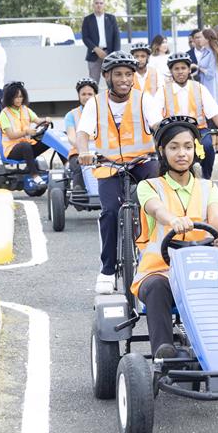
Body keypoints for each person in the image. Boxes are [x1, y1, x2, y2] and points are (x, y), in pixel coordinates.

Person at [131, 115, 218, 359]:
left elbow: (216, 215)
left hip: (200, 272)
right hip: (159, 272)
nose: (181, 153)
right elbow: (156, 208)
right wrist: (172, 220)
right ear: (162, 151)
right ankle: (164, 351)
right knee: (156, 287)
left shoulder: (208, 187)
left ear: (196, 150)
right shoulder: (150, 186)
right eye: (174, 147)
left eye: (187, 147)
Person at [77, 51, 163, 294]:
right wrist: (84, 152)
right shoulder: (95, 103)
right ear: (107, 76)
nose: (124, 79)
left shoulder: (144, 99)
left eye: (128, 74)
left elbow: (158, 126)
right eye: (118, 75)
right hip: (109, 164)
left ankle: (156, 256)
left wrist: (165, 145)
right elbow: (83, 133)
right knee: (110, 212)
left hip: (142, 162)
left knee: (156, 204)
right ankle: (107, 270)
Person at [156, 52, 218, 179]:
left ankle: (206, 179)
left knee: (207, 147)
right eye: (176, 69)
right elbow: (155, 114)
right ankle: (165, 179)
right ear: (171, 71)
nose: (180, 72)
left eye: (183, 68)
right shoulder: (163, 90)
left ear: (189, 69)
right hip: (172, 131)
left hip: (198, 131)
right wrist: (157, 127)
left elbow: (214, 112)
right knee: (161, 152)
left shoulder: (199, 88)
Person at [0, 82, 52, 186]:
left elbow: (37, 120)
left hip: (27, 145)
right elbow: (11, 135)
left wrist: (45, 119)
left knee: (50, 139)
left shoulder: (25, 109)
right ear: (9, 98)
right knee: (25, 146)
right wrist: (26, 132)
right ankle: (35, 176)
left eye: (21, 97)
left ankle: (67, 165)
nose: (19, 99)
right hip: (11, 150)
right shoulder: (4, 114)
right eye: (16, 97)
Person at [65, 78, 98, 192]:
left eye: (90, 94)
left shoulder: (104, 112)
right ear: (78, 95)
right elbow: (71, 137)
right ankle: (78, 191)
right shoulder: (71, 115)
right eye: (83, 94)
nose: (87, 97)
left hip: (101, 150)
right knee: (78, 166)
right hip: (78, 152)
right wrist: (83, 148)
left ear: (95, 95)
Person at [81, 0, 121, 81]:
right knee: (93, 81)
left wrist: (115, 55)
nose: (99, 5)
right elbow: (85, 38)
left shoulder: (111, 18)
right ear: (93, 5)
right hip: (94, 54)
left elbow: (116, 37)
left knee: (112, 80)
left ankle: (111, 95)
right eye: (96, 3)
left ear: (104, 5)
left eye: (101, 3)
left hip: (110, 54)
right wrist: (96, 49)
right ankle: (94, 95)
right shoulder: (87, 20)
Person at [197, 29, 218, 104]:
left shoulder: (213, 54)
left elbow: (210, 74)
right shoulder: (204, 51)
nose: (199, 39)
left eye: (201, 37)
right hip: (203, 86)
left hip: (210, 87)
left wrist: (198, 68)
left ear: (207, 39)